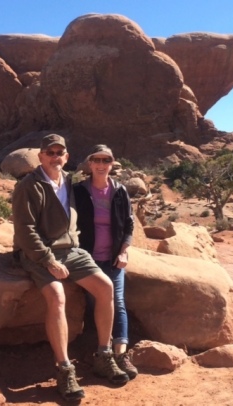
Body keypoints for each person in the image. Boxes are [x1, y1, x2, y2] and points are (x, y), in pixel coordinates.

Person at [12, 134, 129, 402]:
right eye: (50, 152)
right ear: (40, 156)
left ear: (66, 157)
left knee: (106, 287)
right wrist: (47, 260)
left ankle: (104, 355)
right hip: (38, 252)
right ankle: (64, 368)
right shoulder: (29, 186)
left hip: (71, 250)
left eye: (60, 153)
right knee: (57, 296)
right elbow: (25, 229)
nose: (55, 157)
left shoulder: (68, 181)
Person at [73, 144, 138, 380]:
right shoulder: (78, 191)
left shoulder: (120, 191)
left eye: (106, 161)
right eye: (96, 160)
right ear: (90, 164)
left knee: (117, 302)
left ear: (112, 164)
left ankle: (121, 354)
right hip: (87, 259)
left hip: (112, 259)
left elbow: (128, 225)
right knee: (98, 302)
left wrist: (124, 251)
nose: (101, 165)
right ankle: (105, 354)